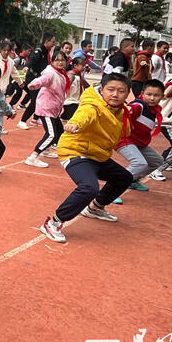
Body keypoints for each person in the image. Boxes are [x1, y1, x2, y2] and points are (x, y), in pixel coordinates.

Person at [38, 73, 134, 243]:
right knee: (89, 187)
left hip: (97, 155)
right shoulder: (92, 105)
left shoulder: (121, 110)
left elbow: (123, 132)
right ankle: (53, 222)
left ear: (127, 94)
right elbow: (84, 116)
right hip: (75, 151)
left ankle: (95, 208)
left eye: (121, 91)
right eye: (110, 90)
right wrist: (75, 124)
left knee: (124, 177)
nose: (115, 94)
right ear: (102, 89)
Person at [116, 79, 166, 194]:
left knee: (157, 161)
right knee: (139, 163)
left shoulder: (154, 110)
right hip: (125, 140)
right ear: (142, 94)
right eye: (149, 94)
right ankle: (114, 186)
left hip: (139, 143)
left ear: (162, 96)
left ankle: (133, 180)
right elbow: (133, 108)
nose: (152, 98)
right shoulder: (140, 105)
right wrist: (129, 109)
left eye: (156, 95)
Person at [24, 50, 70, 168]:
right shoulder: (51, 73)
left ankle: (46, 150)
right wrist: (34, 84)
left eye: (62, 60)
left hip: (54, 108)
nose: (60, 62)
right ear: (52, 61)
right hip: (46, 107)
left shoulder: (61, 73)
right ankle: (33, 157)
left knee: (59, 131)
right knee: (51, 134)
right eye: (57, 60)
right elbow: (42, 80)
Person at [17, 33, 55, 128]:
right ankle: (22, 121)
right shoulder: (39, 51)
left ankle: (35, 119)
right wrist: (26, 66)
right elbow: (32, 59)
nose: (54, 43)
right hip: (33, 79)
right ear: (47, 41)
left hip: (40, 79)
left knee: (41, 99)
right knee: (35, 101)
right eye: (53, 41)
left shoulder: (47, 52)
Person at [61, 56, 90, 121]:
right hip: (70, 102)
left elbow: (87, 85)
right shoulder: (71, 75)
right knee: (76, 120)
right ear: (75, 65)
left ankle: (64, 116)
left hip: (75, 102)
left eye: (84, 65)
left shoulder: (78, 75)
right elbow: (64, 87)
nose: (84, 67)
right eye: (82, 65)